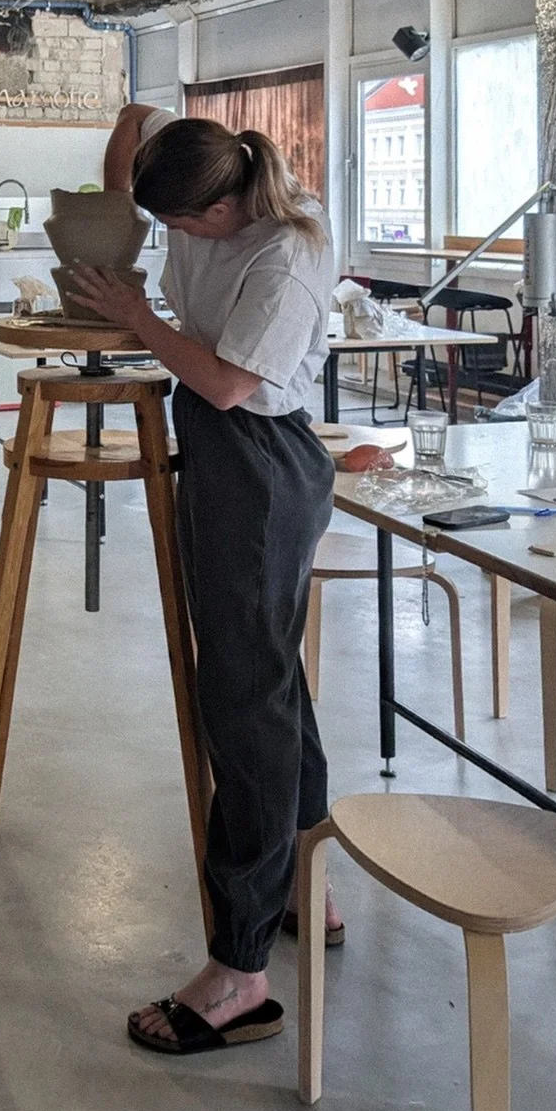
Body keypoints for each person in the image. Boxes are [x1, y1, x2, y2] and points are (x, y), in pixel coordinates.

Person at [67, 105, 341, 1057]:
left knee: (245, 703)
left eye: (186, 226)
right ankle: (309, 887)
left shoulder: (289, 248)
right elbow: (132, 142)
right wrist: (123, 159)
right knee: (268, 682)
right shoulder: (205, 177)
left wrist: (138, 317)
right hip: (226, 453)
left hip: (261, 461)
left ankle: (242, 970)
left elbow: (228, 384)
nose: (178, 241)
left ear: (226, 201)